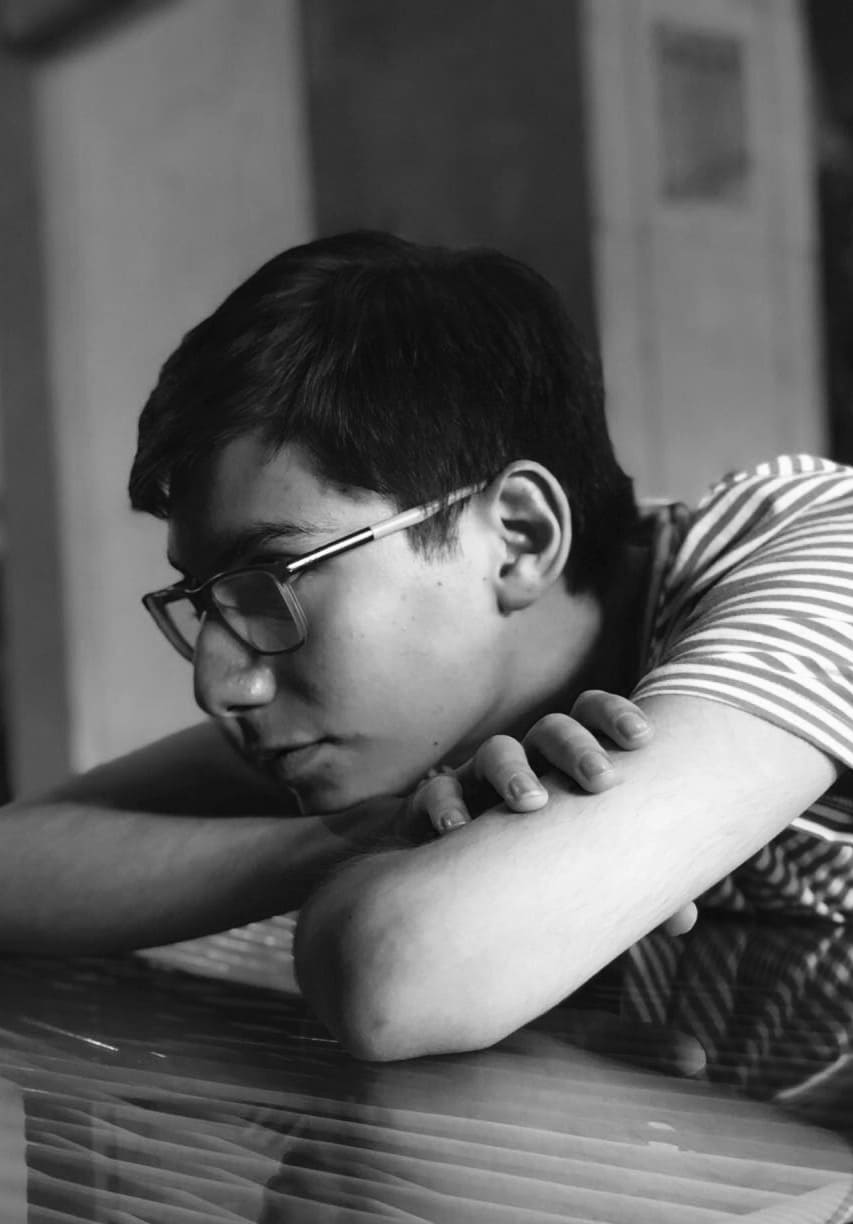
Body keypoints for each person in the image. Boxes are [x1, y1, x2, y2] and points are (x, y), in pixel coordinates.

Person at [2, 231, 852, 1062]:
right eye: (203, 602)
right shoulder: (436, 724)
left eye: (270, 582)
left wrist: (397, 880)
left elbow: (397, 970)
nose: (219, 684)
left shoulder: (823, 556)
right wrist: (348, 837)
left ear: (516, 538)